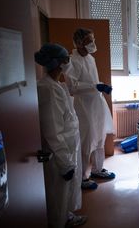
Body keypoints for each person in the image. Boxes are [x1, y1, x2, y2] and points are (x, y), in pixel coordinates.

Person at [35, 43, 87, 228]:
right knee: (58, 194)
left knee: (65, 193)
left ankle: (66, 217)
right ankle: (59, 222)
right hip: (60, 153)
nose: (69, 62)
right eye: (66, 59)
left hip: (68, 146)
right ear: (57, 63)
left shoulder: (56, 85)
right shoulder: (48, 89)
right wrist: (65, 163)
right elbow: (52, 130)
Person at [63, 28, 115, 190]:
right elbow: (72, 87)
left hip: (96, 104)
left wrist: (101, 87)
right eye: (89, 41)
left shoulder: (91, 59)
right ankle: (82, 178)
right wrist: (95, 86)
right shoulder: (73, 61)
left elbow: (93, 81)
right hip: (83, 107)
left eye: (93, 40)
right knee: (86, 141)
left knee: (99, 138)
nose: (93, 44)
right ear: (78, 43)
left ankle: (97, 170)